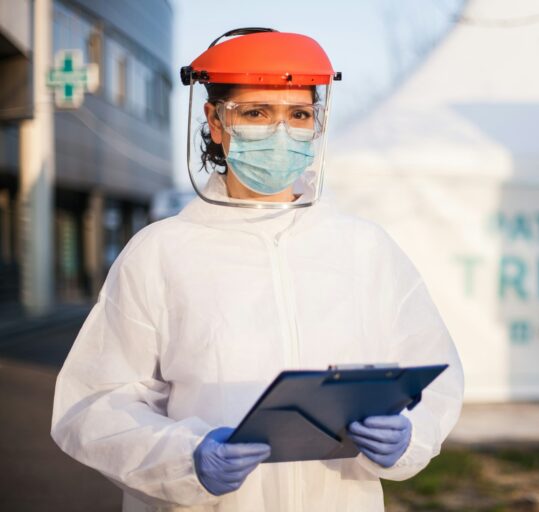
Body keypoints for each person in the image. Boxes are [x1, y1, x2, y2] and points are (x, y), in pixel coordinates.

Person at [51, 28, 463, 512]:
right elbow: (94, 404)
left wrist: (409, 435)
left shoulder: (365, 249)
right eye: (256, 113)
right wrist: (188, 459)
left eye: (299, 114)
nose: (281, 132)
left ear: (318, 122)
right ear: (216, 121)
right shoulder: (161, 252)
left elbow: (434, 376)